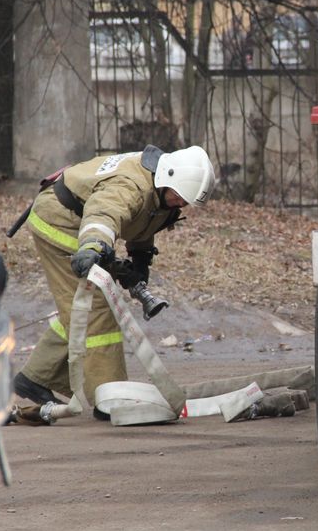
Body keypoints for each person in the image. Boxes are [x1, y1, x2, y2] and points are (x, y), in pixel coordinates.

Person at [13, 144, 216, 420]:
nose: (181, 204)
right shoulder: (130, 186)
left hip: (82, 226)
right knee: (97, 309)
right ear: (167, 177)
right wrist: (94, 245)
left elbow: (143, 217)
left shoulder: (161, 191)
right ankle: (109, 396)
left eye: (185, 202)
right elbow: (105, 212)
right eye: (179, 197)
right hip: (60, 221)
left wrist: (140, 259)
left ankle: (36, 377)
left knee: (78, 308)